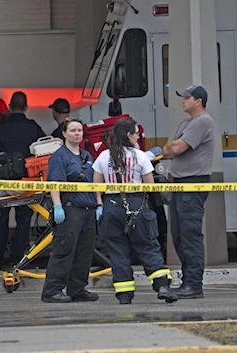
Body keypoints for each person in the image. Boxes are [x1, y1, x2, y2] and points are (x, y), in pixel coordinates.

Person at [93, 118, 178, 305]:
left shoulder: (103, 156)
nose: (138, 136)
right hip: (137, 204)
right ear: (129, 135)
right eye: (137, 133)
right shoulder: (140, 156)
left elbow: (96, 187)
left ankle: (125, 295)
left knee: (117, 251)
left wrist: (100, 206)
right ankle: (162, 286)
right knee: (148, 246)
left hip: (111, 206)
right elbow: (150, 186)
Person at [0, 91, 46, 268]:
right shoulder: (33, 127)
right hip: (27, 180)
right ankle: (18, 259)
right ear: (26, 107)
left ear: (9, 106)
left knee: (1, 219)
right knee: (24, 220)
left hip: (3, 181)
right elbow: (44, 148)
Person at [161, 85, 215, 299]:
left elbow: (174, 149)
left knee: (190, 234)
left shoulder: (203, 122)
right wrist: (171, 148)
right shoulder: (186, 122)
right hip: (180, 183)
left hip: (193, 183)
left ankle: (193, 285)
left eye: (187, 97)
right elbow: (169, 148)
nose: (182, 101)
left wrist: (171, 147)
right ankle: (188, 283)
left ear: (198, 101)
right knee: (179, 235)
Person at [41, 117, 101, 303]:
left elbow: (95, 183)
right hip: (70, 210)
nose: (77, 133)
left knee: (84, 252)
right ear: (64, 134)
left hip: (88, 209)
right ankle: (52, 291)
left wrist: (99, 203)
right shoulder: (60, 156)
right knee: (64, 250)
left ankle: (77, 289)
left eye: (79, 130)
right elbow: (55, 183)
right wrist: (57, 206)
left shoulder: (87, 156)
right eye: (73, 130)